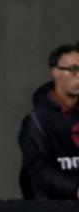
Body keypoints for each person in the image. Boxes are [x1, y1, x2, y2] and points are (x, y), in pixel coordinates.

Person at [18, 42, 79, 200]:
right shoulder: (37, 121)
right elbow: (39, 170)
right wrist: (75, 190)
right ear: (55, 72)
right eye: (73, 69)